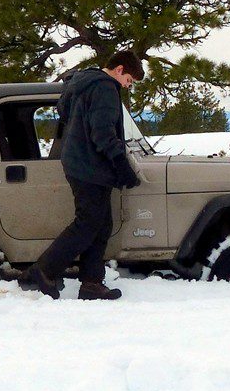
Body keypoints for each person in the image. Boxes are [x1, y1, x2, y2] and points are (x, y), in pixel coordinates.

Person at [20, 51, 145, 300]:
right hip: (90, 167)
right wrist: (121, 164)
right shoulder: (105, 88)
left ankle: (91, 283)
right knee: (88, 223)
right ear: (120, 70)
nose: (127, 86)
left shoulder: (83, 84)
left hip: (82, 164)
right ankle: (43, 270)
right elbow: (102, 133)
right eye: (129, 80)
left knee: (101, 224)